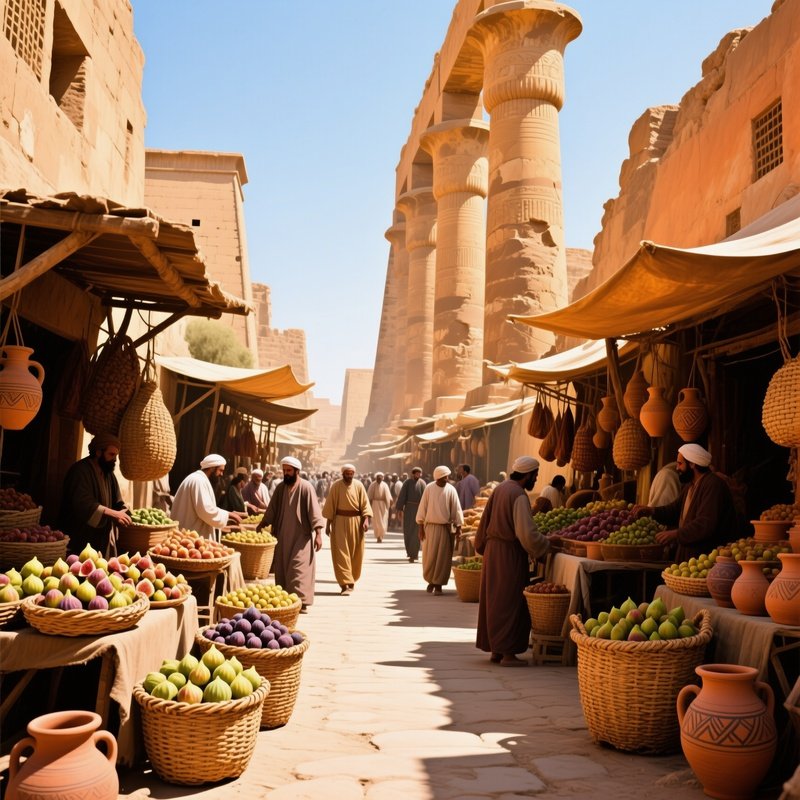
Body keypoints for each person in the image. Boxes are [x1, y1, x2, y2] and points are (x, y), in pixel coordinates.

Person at [475, 456, 550, 666]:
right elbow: (526, 534)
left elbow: (484, 520)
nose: (535, 479)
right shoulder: (518, 495)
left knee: (494, 599)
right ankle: (507, 653)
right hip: (509, 554)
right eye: (534, 475)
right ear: (527, 475)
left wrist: (482, 545)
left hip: (493, 551)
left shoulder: (500, 488)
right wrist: (545, 544)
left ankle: (496, 650)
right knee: (510, 600)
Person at [632, 443, 737, 562]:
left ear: (692, 464)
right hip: (690, 559)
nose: (677, 468)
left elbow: (705, 523)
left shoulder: (713, 485)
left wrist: (676, 534)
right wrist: (651, 510)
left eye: (680, 463)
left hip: (707, 559)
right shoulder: (689, 486)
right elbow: (674, 510)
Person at [257, 456, 325, 612]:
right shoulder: (281, 488)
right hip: (282, 536)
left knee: (298, 569)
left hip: (301, 538)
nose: (286, 474)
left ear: (296, 471)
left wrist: (319, 534)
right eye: (284, 471)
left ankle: (301, 601)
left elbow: (314, 512)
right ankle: (287, 600)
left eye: (289, 471)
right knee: (282, 569)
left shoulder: (306, 487)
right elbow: (272, 509)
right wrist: (263, 523)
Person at [59, 432, 132, 554]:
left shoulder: (108, 473)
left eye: (116, 455)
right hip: (79, 535)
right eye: (111, 454)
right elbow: (83, 504)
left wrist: (123, 511)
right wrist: (114, 514)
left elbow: (117, 501)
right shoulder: (79, 471)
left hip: (101, 538)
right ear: (98, 452)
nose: (114, 459)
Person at [322, 463, 372, 595]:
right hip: (339, 522)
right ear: (343, 473)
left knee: (356, 553)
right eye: (347, 473)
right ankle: (345, 584)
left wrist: (366, 520)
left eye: (351, 474)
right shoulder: (336, 486)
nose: (349, 476)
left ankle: (352, 579)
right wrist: (328, 525)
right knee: (341, 554)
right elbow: (331, 506)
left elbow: (365, 505)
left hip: (356, 523)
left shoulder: (359, 486)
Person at [416, 465, 464, 595]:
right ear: (438, 477)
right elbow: (422, 509)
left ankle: (438, 584)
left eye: (447, 476)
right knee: (430, 556)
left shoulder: (451, 490)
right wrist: (421, 528)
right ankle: (431, 580)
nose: (446, 479)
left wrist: (459, 528)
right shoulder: (429, 488)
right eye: (444, 477)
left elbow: (456, 509)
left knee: (443, 558)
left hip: (445, 529)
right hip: (430, 527)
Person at [171, 454, 243, 538]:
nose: (221, 474)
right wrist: (229, 515)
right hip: (190, 536)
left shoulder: (199, 479)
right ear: (212, 468)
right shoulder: (198, 480)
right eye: (220, 470)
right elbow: (206, 510)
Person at [395, 467, 426, 562]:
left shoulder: (423, 483)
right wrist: (400, 510)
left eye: (420, 473)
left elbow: (426, 498)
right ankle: (409, 552)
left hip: (419, 510)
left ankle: (414, 554)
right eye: (417, 473)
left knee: (417, 532)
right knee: (408, 531)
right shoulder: (407, 483)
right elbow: (402, 496)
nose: (419, 475)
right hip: (408, 510)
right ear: (413, 474)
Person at [367, 471, 392, 543]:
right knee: (376, 521)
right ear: (376, 478)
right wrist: (369, 506)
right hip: (375, 505)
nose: (379, 479)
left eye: (381, 478)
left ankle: (381, 535)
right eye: (378, 478)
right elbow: (369, 496)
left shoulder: (385, 485)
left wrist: (389, 503)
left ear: (382, 478)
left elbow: (388, 496)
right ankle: (378, 536)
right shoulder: (372, 485)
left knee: (383, 520)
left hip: (383, 505)